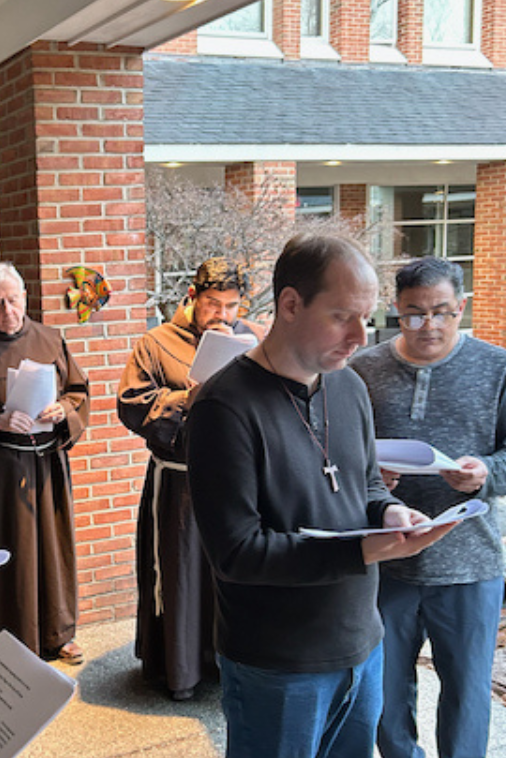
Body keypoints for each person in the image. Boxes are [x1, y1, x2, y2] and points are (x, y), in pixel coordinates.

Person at [186, 233, 456, 758]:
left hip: (362, 643)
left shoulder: (348, 386)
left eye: (367, 316)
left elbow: (366, 485)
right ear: (290, 304)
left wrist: (390, 510)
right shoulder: (224, 407)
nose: (361, 335)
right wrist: (362, 550)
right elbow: (236, 553)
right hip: (278, 663)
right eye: (342, 316)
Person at [350, 257, 506, 758]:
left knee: (468, 696)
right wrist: (370, 477)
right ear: (396, 310)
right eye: (414, 313)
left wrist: (486, 475)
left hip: (470, 566)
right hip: (386, 562)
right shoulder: (362, 369)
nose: (428, 325)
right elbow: (338, 453)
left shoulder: (500, 368)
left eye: (441, 312)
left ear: (461, 307)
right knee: (384, 697)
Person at [118, 257, 260, 701]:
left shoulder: (252, 342)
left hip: (235, 482)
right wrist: (187, 398)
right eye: (213, 304)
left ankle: (230, 663)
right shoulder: (156, 343)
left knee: (231, 575)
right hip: (179, 485)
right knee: (181, 576)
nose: (221, 315)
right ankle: (181, 670)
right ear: (192, 298)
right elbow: (131, 404)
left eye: (231, 306)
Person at [0, 261, 91, 663]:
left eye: (12, 300)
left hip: (46, 464)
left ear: (25, 298)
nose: (6, 310)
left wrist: (64, 409)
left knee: (51, 548)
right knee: (1, 550)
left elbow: (78, 391)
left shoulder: (51, 340)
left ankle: (57, 634)